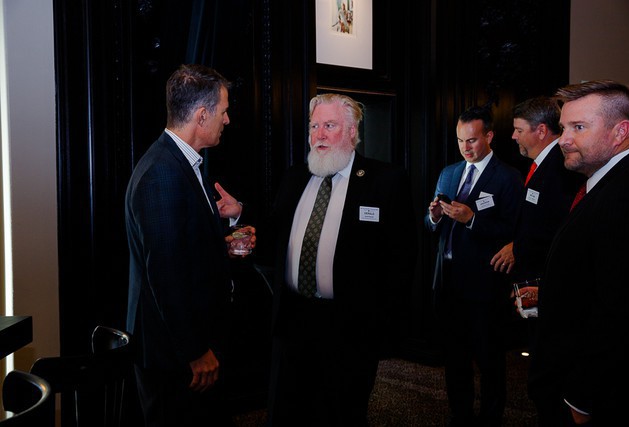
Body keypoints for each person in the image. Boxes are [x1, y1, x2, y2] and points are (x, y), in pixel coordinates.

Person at [266, 93, 418, 426]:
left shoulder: (386, 181)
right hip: (293, 319)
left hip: (350, 326)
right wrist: (240, 216)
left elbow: (402, 258)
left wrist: (384, 325)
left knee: (341, 413)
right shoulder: (294, 177)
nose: (318, 135)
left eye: (329, 126)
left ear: (352, 131)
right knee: (287, 411)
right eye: (314, 126)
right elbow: (274, 238)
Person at [124, 64, 254, 427]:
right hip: (175, 354)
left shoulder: (181, 162)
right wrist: (195, 351)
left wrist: (224, 243)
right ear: (201, 115)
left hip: (187, 343)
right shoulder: (162, 173)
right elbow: (165, 274)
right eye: (223, 111)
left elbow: (181, 247)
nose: (227, 120)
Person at [528, 80, 629, 426]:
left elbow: (622, 310)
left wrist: (582, 398)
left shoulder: (628, 193)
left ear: (620, 132)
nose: (563, 140)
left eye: (578, 127)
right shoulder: (608, 182)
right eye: (564, 128)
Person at [426, 105, 522, 427]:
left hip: (484, 285)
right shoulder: (449, 173)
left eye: (471, 140)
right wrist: (434, 217)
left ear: (489, 136)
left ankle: (491, 418)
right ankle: (460, 415)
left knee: (489, 359)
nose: (465, 147)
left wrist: (472, 220)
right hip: (449, 281)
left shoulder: (508, 177)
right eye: (459, 140)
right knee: (455, 358)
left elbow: (514, 231)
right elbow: (430, 225)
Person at [490, 97, 585, 339]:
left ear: (541, 131)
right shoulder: (541, 165)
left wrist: (532, 284)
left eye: (519, 130)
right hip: (531, 280)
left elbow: (559, 231)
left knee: (545, 342)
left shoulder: (561, 167)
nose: (513, 136)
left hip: (545, 284)